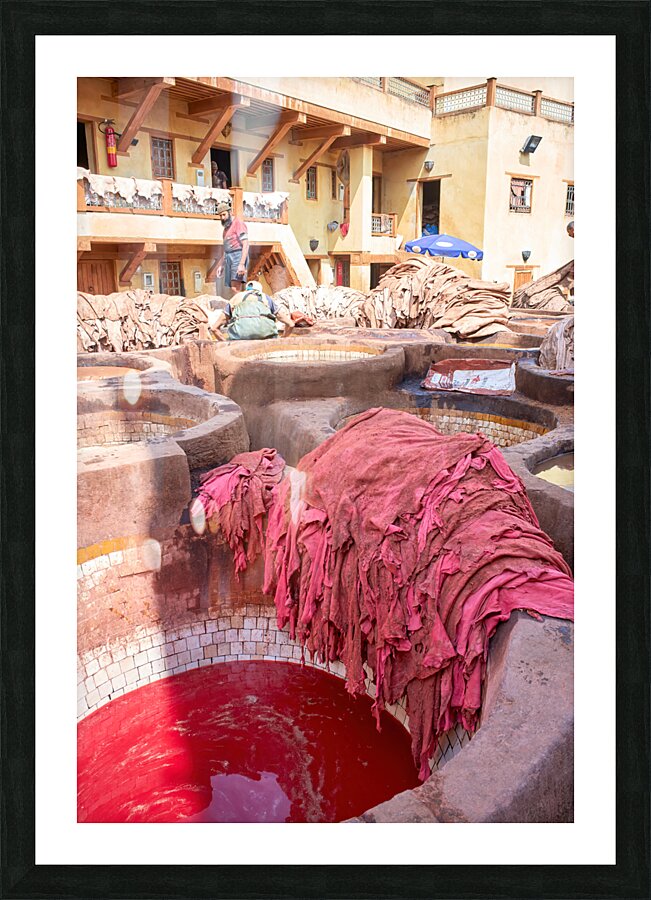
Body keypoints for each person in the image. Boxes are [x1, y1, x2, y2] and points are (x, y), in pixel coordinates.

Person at [207, 280, 295, 341]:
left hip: (239, 340)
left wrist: (225, 344)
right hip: (266, 339)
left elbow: (214, 328)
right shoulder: (266, 298)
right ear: (260, 290)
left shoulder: (236, 298)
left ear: (246, 290)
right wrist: (282, 339)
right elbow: (290, 324)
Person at [214, 199, 249, 296]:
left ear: (229, 213)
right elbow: (226, 250)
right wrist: (221, 265)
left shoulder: (238, 224)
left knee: (235, 288)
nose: (222, 217)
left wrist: (241, 264)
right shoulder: (225, 230)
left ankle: (241, 309)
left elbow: (245, 244)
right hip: (229, 257)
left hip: (238, 256)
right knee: (232, 288)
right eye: (220, 216)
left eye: (224, 214)